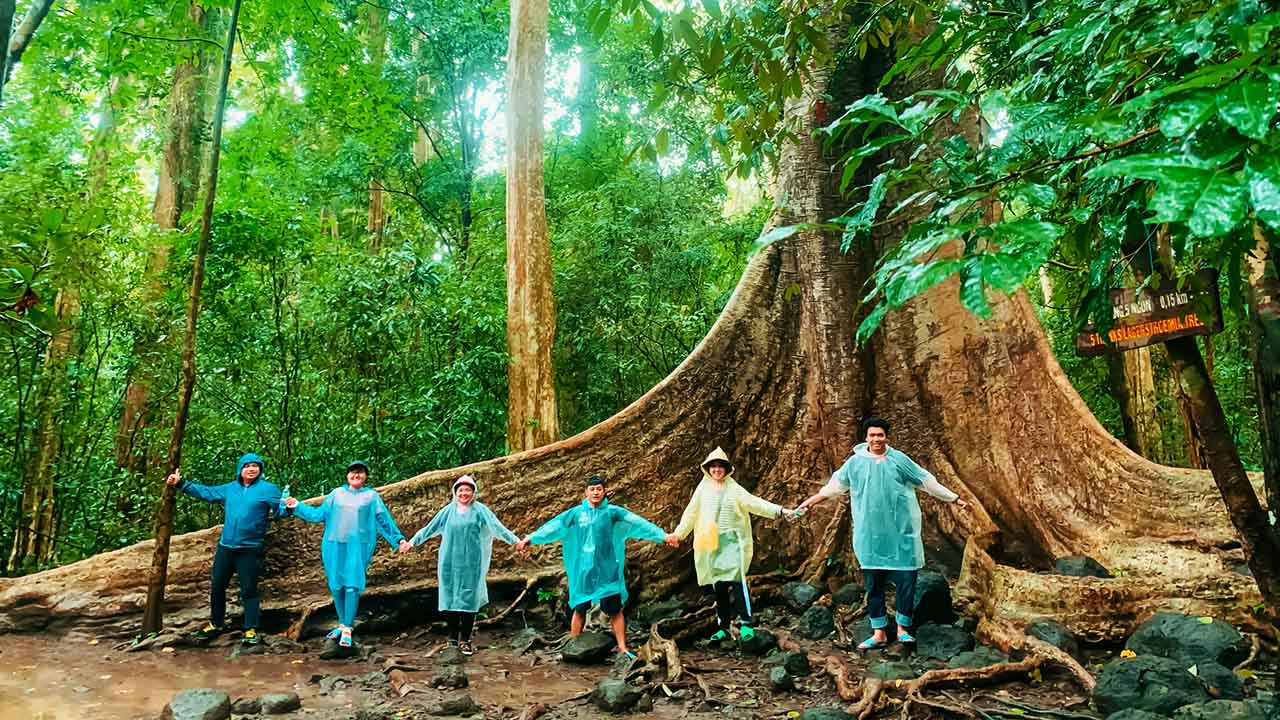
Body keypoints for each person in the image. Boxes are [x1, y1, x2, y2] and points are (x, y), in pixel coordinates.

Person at [793, 417, 967, 649]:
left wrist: (953, 497)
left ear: (887, 437)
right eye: (872, 435)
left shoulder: (899, 460)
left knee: (906, 581)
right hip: (870, 535)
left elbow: (927, 481)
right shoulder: (855, 463)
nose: (876, 439)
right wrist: (811, 502)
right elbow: (834, 487)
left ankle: (903, 628)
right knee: (874, 585)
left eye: (880, 435)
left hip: (900, 533)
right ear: (866, 437)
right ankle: (879, 632)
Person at [514, 475, 677, 659]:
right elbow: (553, 526)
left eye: (599, 489)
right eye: (592, 489)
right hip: (584, 570)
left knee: (614, 609)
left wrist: (662, 536)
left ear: (604, 491)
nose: (596, 492)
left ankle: (623, 647)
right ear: (586, 492)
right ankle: (574, 645)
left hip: (607, 569)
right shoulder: (575, 514)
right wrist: (530, 538)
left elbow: (638, 522)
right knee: (580, 607)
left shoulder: (613, 513)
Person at [282, 460, 411, 649]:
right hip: (334, 544)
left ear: (365, 476)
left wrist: (398, 540)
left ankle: (348, 628)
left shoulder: (371, 496)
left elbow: (383, 520)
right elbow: (318, 515)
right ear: (347, 475)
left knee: (352, 586)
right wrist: (297, 506)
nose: (356, 475)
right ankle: (342, 624)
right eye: (352, 472)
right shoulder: (337, 494)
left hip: (357, 547)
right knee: (336, 587)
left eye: (360, 472)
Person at [672, 447, 794, 642]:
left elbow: (754, 503)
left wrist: (780, 511)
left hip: (732, 541)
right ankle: (724, 627)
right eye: (713, 467)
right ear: (708, 469)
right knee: (718, 585)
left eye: (720, 467)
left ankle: (746, 623)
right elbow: (691, 513)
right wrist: (678, 534)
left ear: (727, 469)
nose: (717, 470)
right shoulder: (703, 488)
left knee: (737, 582)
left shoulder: (733, 488)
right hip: (712, 542)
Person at [166, 453, 282, 646]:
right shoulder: (231, 488)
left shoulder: (268, 490)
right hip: (226, 547)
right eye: (247, 466)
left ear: (260, 470)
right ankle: (216, 623)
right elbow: (208, 493)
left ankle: (251, 629)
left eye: (255, 466)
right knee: (217, 586)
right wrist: (181, 483)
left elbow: (280, 512)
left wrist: (287, 507)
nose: (252, 469)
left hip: (250, 549)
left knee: (249, 591)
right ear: (240, 469)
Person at [407, 474, 519, 655]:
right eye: (461, 490)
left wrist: (515, 541)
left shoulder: (480, 510)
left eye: (468, 490)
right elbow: (429, 529)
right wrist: (411, 542)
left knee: (469, 601)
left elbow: (497, 527)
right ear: (455, 492)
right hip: (449, 563)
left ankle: (465, 640)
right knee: (449, 599)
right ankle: (452, 640)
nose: (464, 493)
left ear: (473, 492)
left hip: (471, 563)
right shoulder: (447, 511)